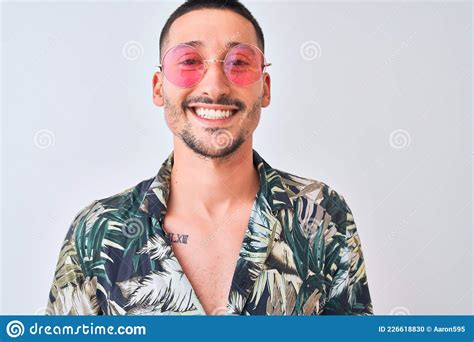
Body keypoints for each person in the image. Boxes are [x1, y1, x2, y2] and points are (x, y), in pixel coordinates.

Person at [46, 0, 373, 316]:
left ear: (266, 88)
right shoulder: (98, 230)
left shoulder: (322, 215)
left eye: (239, 62)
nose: (215, 86)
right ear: (159, 88)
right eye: (189, 61)